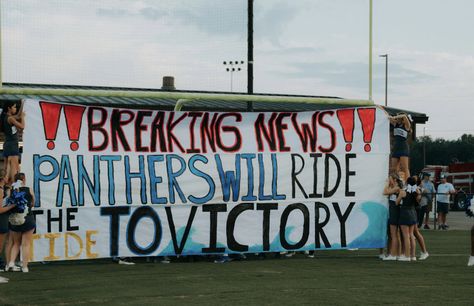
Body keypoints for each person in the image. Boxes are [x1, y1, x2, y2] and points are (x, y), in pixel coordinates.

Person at [5, 173, 35, 273]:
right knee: (25, 244)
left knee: (16, 243)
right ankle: (25, 267)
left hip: (15, 219)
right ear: (24, 179)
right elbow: (33, 202)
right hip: (27, 217)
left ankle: (11, 263)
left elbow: (8, 202)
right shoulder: (28, 189)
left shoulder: (11, 191)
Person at [396, 176, 419, 261]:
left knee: (406, 236)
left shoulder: (403, 192)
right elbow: (418, 199)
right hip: (413, 213)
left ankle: (407, 256)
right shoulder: (416, 192)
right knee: (411, 235)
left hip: (405, 213)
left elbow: (396, 202)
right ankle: (413, 256)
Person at [1, 102, 25, 184]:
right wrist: (23, 117)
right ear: (9, 108)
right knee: (15, 172)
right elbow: (22, 126)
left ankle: (3, 187)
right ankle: (12, 189)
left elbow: (18, 115)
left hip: (7, 145)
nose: (15, 109)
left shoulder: (8, 117)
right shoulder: (10, 118)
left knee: (6, 171)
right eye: (14, 107)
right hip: (12, 145)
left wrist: (22, 105)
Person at [382, 173, 402, 260]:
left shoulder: (397, 187)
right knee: (394, 235)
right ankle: (397, 253)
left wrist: (386, 184)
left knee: (394, 235)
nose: (388, 180)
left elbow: (384, 192)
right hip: (393, 212)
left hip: (395, 212)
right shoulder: (394, 187)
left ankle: (393, 255)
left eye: (390, 179)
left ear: (394, 180)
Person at [389, 113, 411, 182]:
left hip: (403, 147)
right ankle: (396, 182)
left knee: (405, 168)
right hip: (396, 147)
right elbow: (389, 118)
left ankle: (409, 183)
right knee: (393, 168)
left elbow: (404, 116)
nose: (397, 119)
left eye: (398, 117)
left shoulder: (406, 126)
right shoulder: (396, 125)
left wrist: (396, 116)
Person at [0, 178, 15, 271]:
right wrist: (13, 206)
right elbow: (0, 210)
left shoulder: (4, 189)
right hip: (1, 219)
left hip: (3, 219)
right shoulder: (0, 191)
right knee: (0, 244)